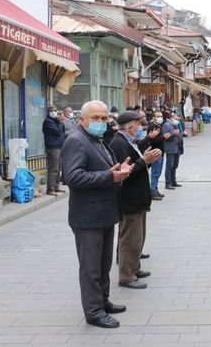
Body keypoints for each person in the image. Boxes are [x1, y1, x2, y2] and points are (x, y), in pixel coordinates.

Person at [61, 100, 133, 328]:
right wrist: (109, 177)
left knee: (103, 265)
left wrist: (117, 171)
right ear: (82, 120)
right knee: (91, 267)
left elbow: (103, 169)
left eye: (104, 118)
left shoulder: (97, 140)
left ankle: (102, 301)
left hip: (104, 213)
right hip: (87, 217)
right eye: (95, 118)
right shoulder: (76, 141)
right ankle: (93, 312)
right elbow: (72, 177)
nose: (101, 122)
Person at [110, 111, 162, 290]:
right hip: (129, 197)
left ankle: (135, 268)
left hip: (138, 197)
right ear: (130, 126)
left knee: (138, 237)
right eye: (138, 125)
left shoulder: (129, 141)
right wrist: (144, 160)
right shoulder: (118, 143)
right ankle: (126, 275)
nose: (140, 128)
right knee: (129, 238)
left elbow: (137, 164)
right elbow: (124, 172)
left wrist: (147, 159)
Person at [139, 110, 168, 200]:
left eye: (161, 116)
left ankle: (155, 189)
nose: (160, 118)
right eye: (158, 116)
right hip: (155, 152)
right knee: (155, 173)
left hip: (160, 152)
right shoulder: (152, 127)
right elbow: (151, 140)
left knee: (158, 172)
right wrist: (163, 137)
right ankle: (153, 191)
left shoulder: (158, 125)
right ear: (154, 117)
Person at [42, 106, 66, 196]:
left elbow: (62, 132)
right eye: (52, 110)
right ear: (48, 112)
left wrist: (60, 122)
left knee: (58, 168)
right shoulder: (48, 122)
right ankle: (50, 189)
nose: (54, 112)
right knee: (53, 169)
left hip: (59, 146)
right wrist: (60, 121)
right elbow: (57, 132)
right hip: (52, 147)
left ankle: (56, 186)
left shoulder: (56, 121)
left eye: (55, 110)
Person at [162, 113, 181, 190]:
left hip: (177, 148)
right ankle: (168, 183)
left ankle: (173, 181)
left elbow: (178, 134)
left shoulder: (175, 125)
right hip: (170, 148)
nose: (177, 120)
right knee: (170, 166)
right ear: (171, 118)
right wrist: (173, 134)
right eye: (176, 118)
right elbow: (166, 137)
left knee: (175, 166)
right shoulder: (166, 125)